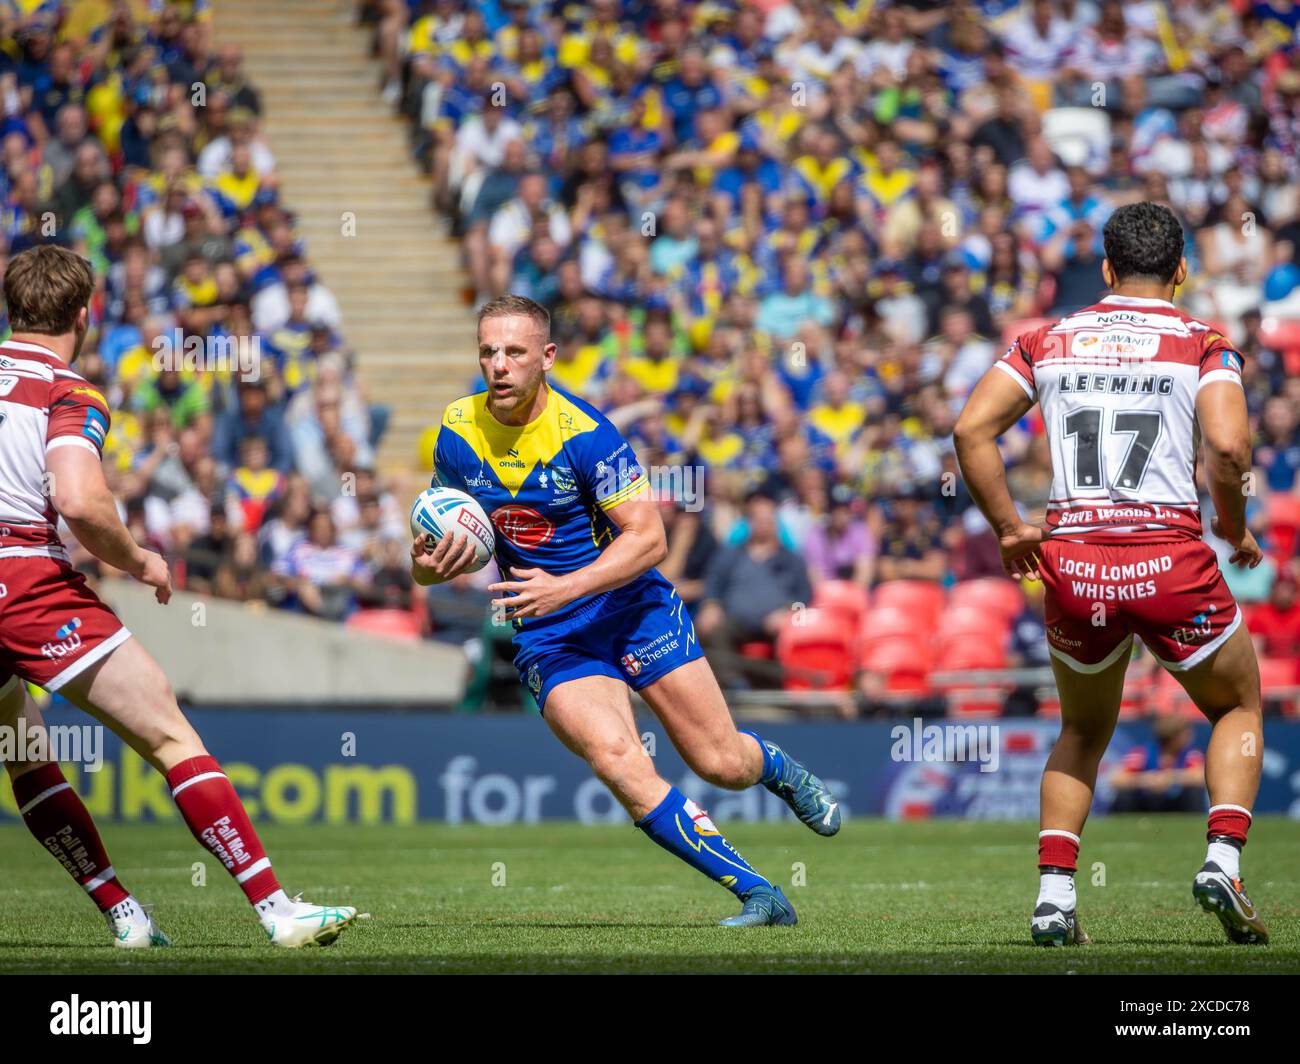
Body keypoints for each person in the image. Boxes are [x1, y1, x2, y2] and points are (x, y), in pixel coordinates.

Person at [412, 295, 841, 927]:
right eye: (488, 352)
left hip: (630, 609)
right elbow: (425, 556)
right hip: (549, 635)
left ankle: (773, 764)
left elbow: (651, 539)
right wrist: (431, 561)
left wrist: (566, 586)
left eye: (514, 352)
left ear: (547, 358)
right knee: (618, 759)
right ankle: (760, 894)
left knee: (722, 764)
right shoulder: (456, 428)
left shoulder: (588, 435)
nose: (498, 366)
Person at [0, 245, 355, 948]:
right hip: (23, 581)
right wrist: (139, 559)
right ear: (85, 313)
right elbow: (78, 499)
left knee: (25, 750)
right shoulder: (67, 391)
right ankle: (276, 910)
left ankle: (124, 915)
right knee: (169, 734)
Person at [954, 202, 1268, 947]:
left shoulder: (1048, 338)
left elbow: (970, 430)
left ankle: (1055, 899)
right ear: (1182, 269)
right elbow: (1227, 450)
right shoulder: (1202, 344)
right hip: (1170, 563)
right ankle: (1222, 858)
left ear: (1105, 269)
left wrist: (1009, 528)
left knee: (1084, 729)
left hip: (1075, 566)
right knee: (1238, 706)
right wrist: (1234, 528)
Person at [1109, 716, 1206, 814]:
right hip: (1145, 801)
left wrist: (1172, 777)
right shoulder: (1142, 753)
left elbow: (1200, 777)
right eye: (1185, 734)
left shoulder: (1190, 753)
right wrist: (1146, 780)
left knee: (1194, 793)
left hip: (1177, 801)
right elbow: (1117, 780)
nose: (1189, 737)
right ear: (1174, 736)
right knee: (1124, 796)